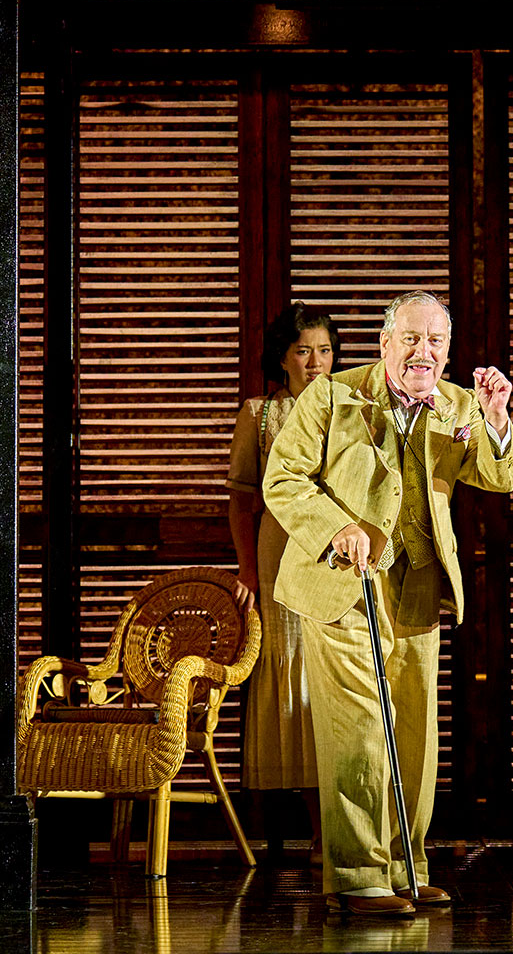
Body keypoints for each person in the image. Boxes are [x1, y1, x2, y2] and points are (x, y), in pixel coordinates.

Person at [262, 290, 513, 916]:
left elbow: (501, 476)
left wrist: (495, 418)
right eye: (410, 338)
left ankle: (407, 869)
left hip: (419, 585)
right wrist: (335, 528)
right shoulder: (332, 396)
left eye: (435, 341)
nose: (422, 352)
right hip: (344, 586)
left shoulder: (459, 403)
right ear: (384, 344)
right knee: (357, 730)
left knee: (414, 732)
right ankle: (358, 877)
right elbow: (282, 479)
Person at [227, 301, 340, 863]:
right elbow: (241, 502)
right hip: (280, 555)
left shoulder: (352, 407)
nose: (315, 362)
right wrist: (248, 568)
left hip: (340, 552)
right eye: (303, 351)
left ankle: (343, 832)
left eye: (324, 350)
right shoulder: (260, 414)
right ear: (282, 358)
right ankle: (311, 830)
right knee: (292, 677)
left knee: (337, 680)